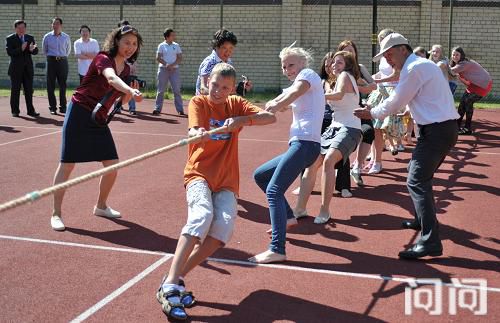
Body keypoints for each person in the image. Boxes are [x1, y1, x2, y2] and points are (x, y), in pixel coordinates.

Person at [155, 63, 275, 321]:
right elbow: (194, 128)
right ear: (207, 80)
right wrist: (198, 134)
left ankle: (174, 279)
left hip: (227, 181)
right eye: (215, 85)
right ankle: (169, 286)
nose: (218, 91)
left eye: (225, 88)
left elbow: (270, 117)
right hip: (199, 174)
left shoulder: (235, 104)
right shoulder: (198, 102)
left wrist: (242, 120)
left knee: (223, 230)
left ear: (233, 89)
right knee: (201, 217)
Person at [354, 33, 459, 259]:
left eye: (390, 54)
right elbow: (399, 86)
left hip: (437, 131)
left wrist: (371, 112)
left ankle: (431, 241)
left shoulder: (414, 69)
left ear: (403, 49)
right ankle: (421, 221)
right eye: (385, 56)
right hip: (441, 130)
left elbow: (397, 100)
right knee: (418, 176)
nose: (388, 59)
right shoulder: (418, 66)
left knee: (417, 180)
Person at [50, 25, 144, 231]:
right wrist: (128, 88)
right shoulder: (103, 58)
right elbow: (111, 78)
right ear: (116, 42)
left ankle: (101, 206)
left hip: (98, 117)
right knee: (67, 164)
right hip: (79, 112)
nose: (130, 47)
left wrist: (132, 92)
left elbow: (123, 99)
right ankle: (56, 213)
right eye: (126, 42)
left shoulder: (126, 69)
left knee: (112, 164)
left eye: (134, 44)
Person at [249, 45, 323, 264]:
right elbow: (281, 99)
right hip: (301, 145)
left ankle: (277, 249)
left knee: (274, 190)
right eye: (283, 66)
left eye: (290, 64)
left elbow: (292, 93)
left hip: (306, 145)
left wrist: (278, 103)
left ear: (302, 63)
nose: (287, 69)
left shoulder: (308, 76)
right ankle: (288, 217)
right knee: (261, 176)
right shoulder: (298, 84)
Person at [294, 51, 362, 225]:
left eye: (339, 63)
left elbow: (339, 95)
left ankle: (325, 210)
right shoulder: (332, 81)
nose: (334, 66)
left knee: (329, 160)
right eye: (333, 63)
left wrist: (316, 96)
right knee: (312, 163)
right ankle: (300, 208)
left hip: (350, 128)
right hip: (334, 127)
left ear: (347, 65)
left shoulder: (345, 76)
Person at [449, 46, 492, 135]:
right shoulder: (458, 65)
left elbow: (450, 71)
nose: (455, 56)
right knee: (462, 104)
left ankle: (467, 128)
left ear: (461, 55)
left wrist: (440, 64)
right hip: (474, 85)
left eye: (457, 55)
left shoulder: (464, 64)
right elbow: (464, 80)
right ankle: (456, 127)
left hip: (484, 85)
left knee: (468, 101)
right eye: (453, 54)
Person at [195, 28, 252, 95]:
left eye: (231, 48)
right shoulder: (209, 62)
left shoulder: (228, 62)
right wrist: (220, 93)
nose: (228, 52)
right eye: (224, 48)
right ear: (216, 46)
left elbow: (225, 88)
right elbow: (203, 89)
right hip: (204, 103)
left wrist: (240, 89)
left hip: (220, 102)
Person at [5, 19, 39, 118]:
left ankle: (30, 111)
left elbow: (35, 51)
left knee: (29, 90)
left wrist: (33, 50)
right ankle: (15, 111)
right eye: (19, 28)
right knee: (15, 90)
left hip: (28, 69)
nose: (21, 29)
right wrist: (21, 48)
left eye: (23, 27)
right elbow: (10, 53)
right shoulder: (10, 38)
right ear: (15, 28)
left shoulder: (30, 37)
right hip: (15, 69)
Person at [42, 17, 71, 115]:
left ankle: (63, 107)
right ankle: (52, 107)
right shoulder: (47, 36)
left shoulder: (66, 37)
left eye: (57, 23)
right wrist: (52, 58)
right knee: (50, 86)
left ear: (61, 25)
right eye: (54, 24)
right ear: (52, 25)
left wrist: (61, 57)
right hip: (51, 62)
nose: (55, 26)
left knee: (62, 85)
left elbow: (68, 50)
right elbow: (44, 50)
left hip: (62, 61)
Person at [153, 28, 184, 116]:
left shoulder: (176, 45)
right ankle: (157, 109)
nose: (174, 36)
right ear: (167, 37)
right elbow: (158, 57)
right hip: (163, 69)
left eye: (174, 35)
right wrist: (166, 64)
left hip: (174, 70)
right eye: (172, 35)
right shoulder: (161, 45)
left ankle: (180, 110)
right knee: (161, 90)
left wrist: (173, 65)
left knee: (176, 90)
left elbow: (180, 58)